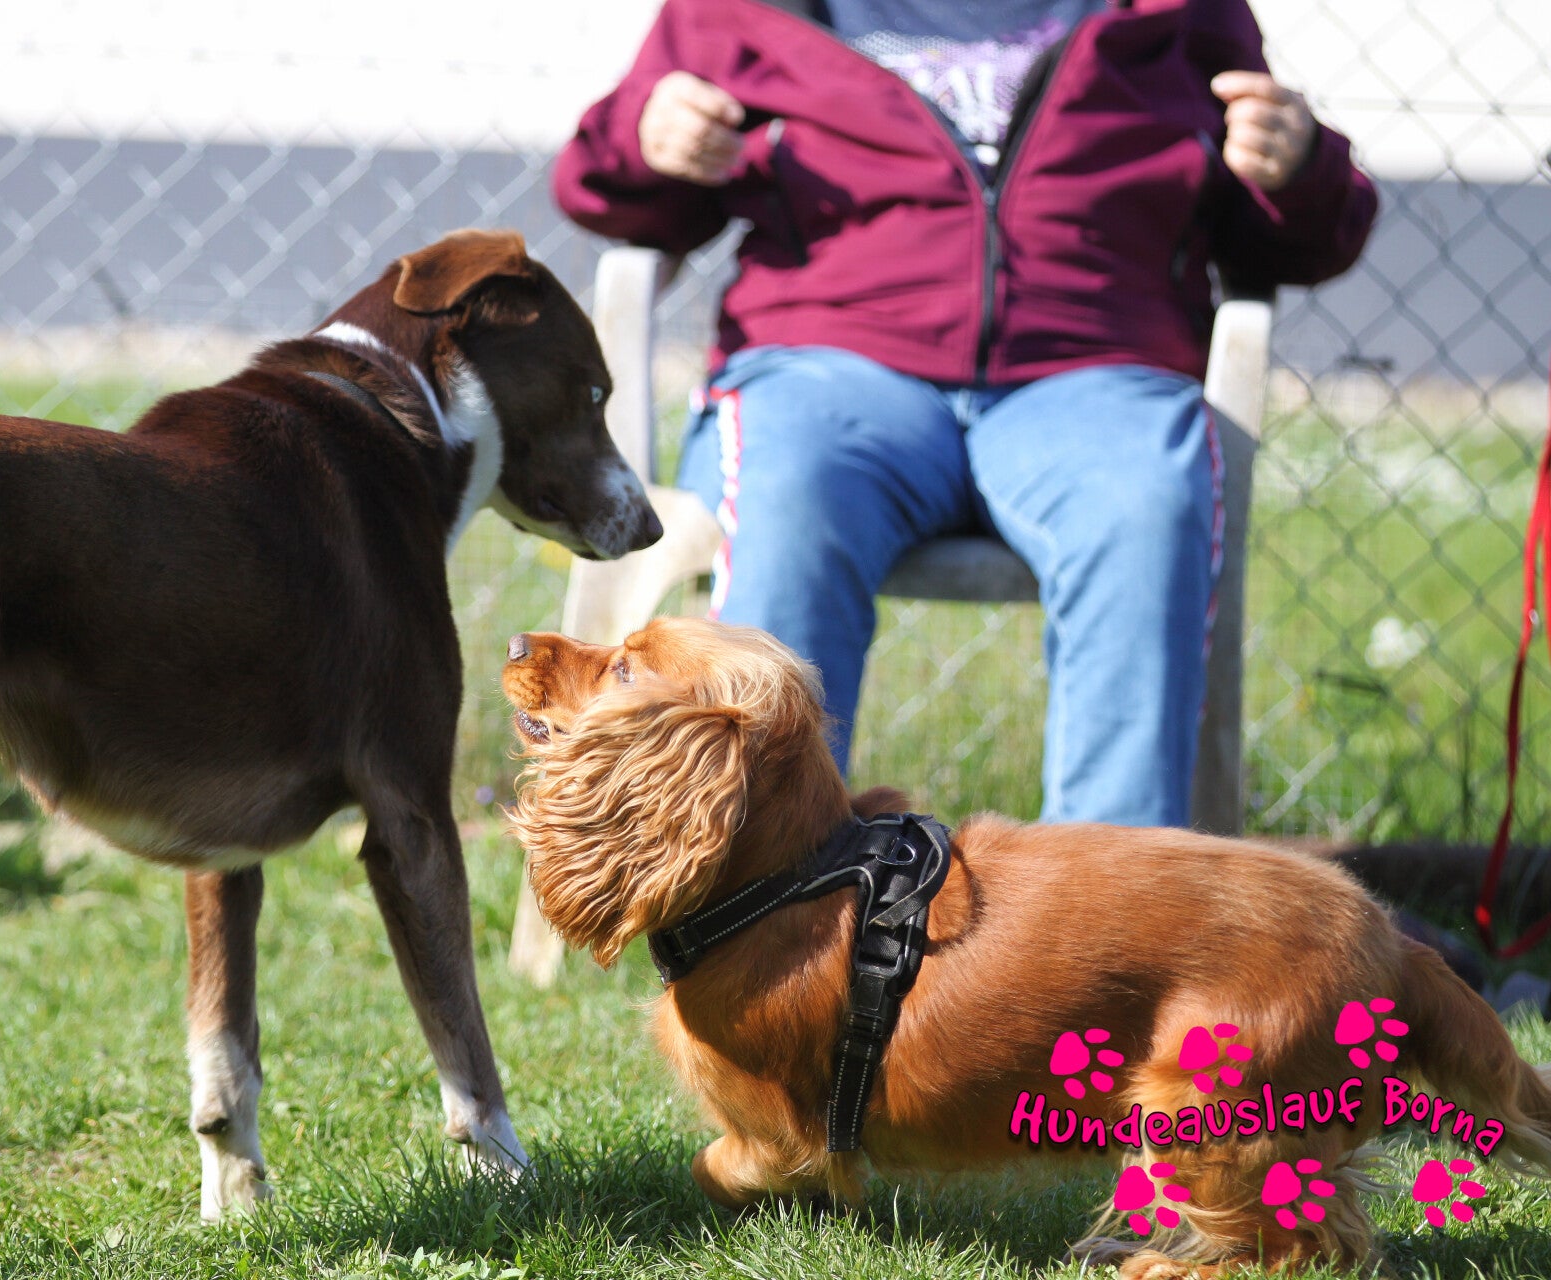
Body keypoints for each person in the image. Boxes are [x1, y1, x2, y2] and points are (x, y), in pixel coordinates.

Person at [553, 0, 1376, 825]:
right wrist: (650, 138)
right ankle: (764, 883)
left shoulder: (1182, 15)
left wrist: (1296, 167)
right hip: (828, 368)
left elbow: (1295, 239)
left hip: (1093, 375)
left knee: (1147, 504)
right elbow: (605, 187)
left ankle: (1109, 897)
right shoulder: (742, 11)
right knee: (791, 487)